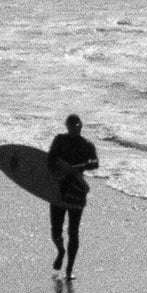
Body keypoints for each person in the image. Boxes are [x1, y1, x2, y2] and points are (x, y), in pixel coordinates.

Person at [47, 115, 99, 280]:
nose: (75, 128)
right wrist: (61, 168)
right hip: (58, 189)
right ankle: (61, 251)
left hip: (77, 190)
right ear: (67, 126)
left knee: (73, 231)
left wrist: (79, 167)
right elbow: (49, 160)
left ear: (81, 126)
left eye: (77, 126)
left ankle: (69, 269)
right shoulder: (60, 141)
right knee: (56, 230)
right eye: (72, 126)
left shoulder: (87, 145)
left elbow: (95, 163)